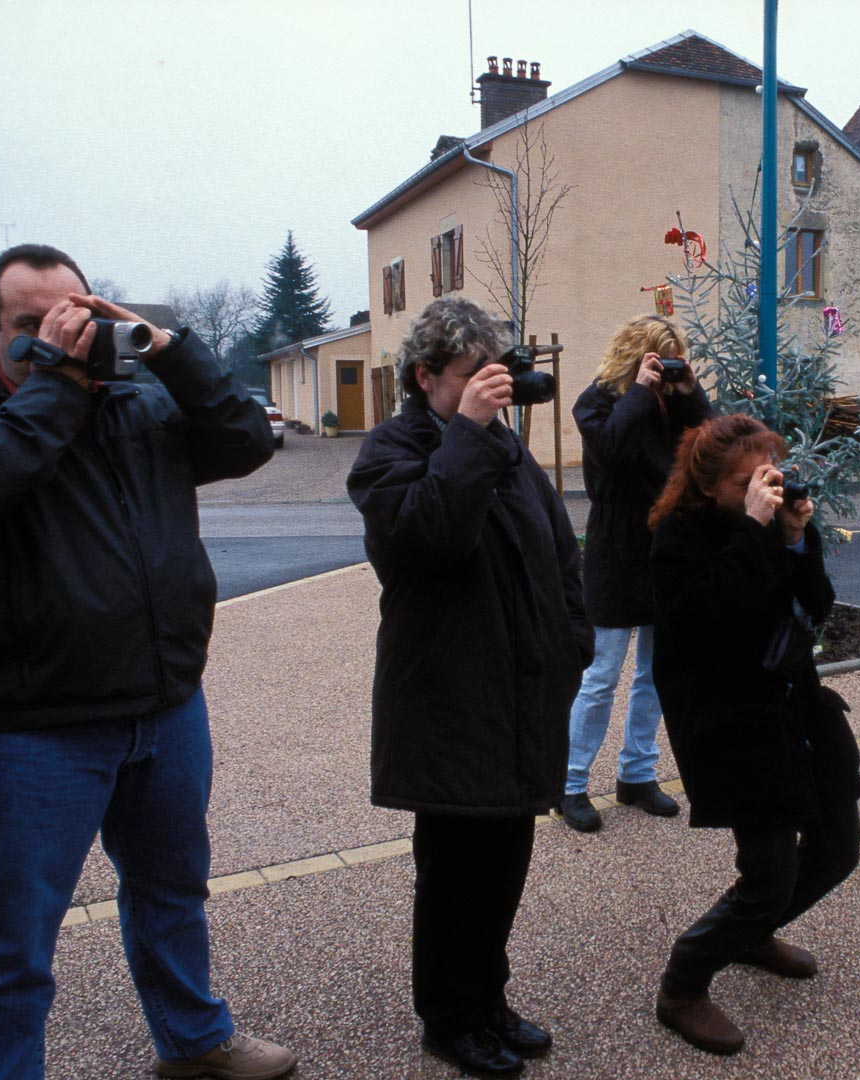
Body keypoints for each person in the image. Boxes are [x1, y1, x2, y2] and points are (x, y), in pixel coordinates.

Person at [0, 244, 293, 1080]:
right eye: (31, 324)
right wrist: (58, 382)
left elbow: (247, 438)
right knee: (14, 942)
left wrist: (169, 349)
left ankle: (193, 1041)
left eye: (73, 317)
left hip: (166, 708)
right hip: (33, 730)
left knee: (173, 896)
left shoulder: (136, 404)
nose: (57, 335)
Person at [347, 297, 592, 1079]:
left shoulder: (501, 446)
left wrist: (572, 642)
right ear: (424, 377)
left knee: (503, 868)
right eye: (468, 374)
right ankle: (449, 1020)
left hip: (521, 692)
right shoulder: (389, 453)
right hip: (447, 698)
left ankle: (488, 1000)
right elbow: (432, 534)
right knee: (455, 876)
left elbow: (561, 548)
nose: (489, 387)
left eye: (494, 372)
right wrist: (472, 433)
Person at [647, 414, 860, 1057]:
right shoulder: (677, 537)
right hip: (730, 721)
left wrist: (795, 541)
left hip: (797, 705)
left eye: (768, 475)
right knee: (768, 874)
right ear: (708, 485)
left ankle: (751, 933)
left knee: (838, 849)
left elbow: (817, 606)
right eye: (745, 482)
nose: (764, 490)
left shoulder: (775, 521)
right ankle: (683, 983)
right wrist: (753, 527)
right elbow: (707, 615)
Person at [561, 314, 711, 832]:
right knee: (601, 674)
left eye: (673, 360)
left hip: (665, 545)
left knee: (654, 672)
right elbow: (608, 451)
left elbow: (712, 449)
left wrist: (691, 394)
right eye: (659, 359)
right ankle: (570, 783)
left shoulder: (674, 402)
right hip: (615, 545)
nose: (666, 369)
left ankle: (637, 774)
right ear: (635, 355)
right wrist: (640, 392)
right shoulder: (598, 400)